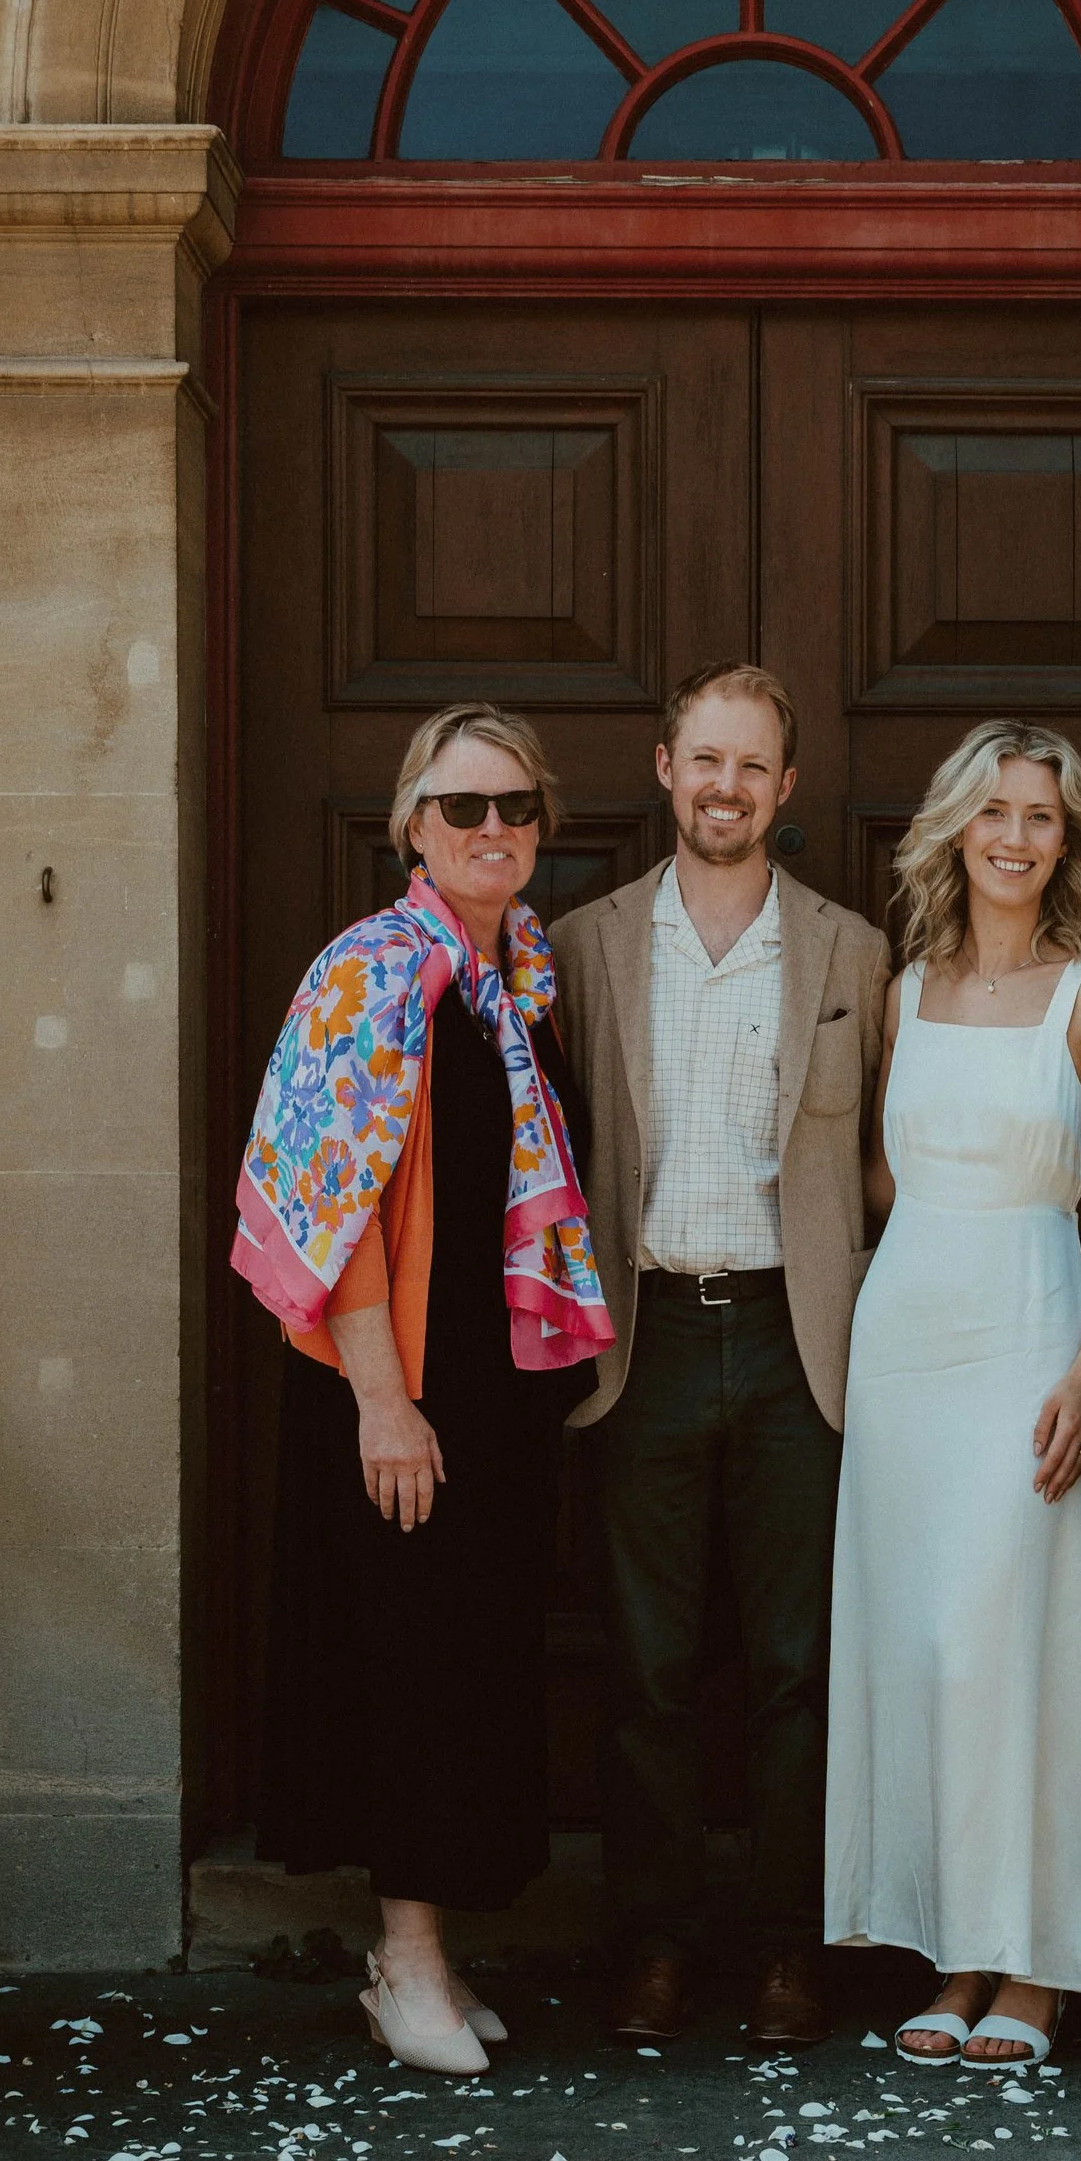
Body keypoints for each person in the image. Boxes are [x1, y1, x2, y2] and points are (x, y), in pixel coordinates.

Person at [232, 702, 613, 2078]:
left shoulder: (523, 977)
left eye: (516, 808)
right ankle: (405, 1961)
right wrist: (384, 1404)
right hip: (393, 1381)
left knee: (470, 1665)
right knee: (406, 1667)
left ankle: (436, 1948)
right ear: (413, 825)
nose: (493, 830)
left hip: (494, 1385)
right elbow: (327, 1205)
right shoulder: (373, 976)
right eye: (464, 809)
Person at [553, 664, 890, 2050]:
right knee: (646, 1667)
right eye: (705, 760)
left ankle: (790, 1949)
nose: (726, 787)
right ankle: (653, 1940)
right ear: (663, 766)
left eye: (752, 766)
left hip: (794, 1337)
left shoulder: (852, 954)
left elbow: (881, 1161)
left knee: (801, 1667)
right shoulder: (581, 946)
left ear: (786, 786)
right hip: (642, 1339)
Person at [824, 720, 1081, 2069]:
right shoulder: (907, 991)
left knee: (1016, 1644)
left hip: (1032, 1329)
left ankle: (1037, 1965)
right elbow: (886, 1183)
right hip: (905, 1343)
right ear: (958, 827)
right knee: (922, 1653)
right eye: (996, 812)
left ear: (1066, 841)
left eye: (1043, 816)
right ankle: (951, 1953)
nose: (1017, 837)